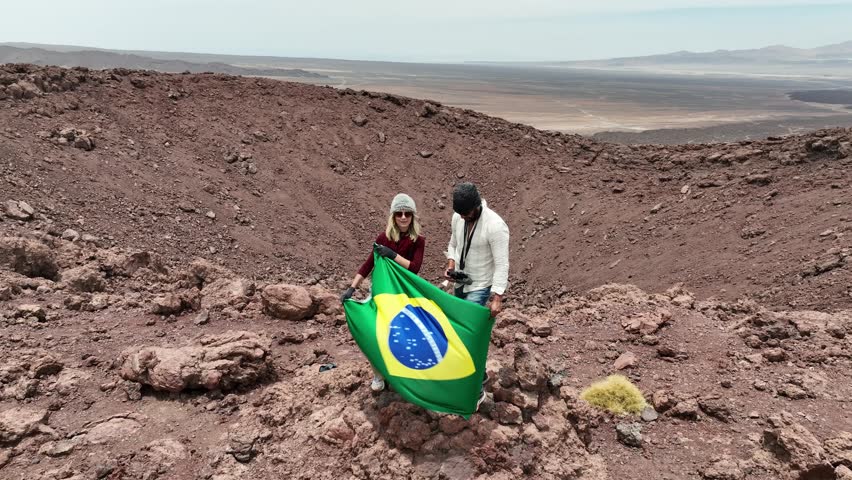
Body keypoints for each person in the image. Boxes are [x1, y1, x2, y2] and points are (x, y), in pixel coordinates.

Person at [341, 193, 425, 392]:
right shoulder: (383, 238)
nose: (403, 217)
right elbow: (368, 265)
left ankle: (401, 374)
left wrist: (393, 255)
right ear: (393, 216)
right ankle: (378, 374)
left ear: (412, 216)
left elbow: (414, 268)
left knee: (401, 337)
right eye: (399, 213)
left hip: (402, 296)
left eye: (407, 213)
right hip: (381, 294)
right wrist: (352, 288)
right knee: (375, 334)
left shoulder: (418, 240)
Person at [445, 182, 509, 410]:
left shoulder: (495, 226)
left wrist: (497, 297)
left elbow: (502, 264)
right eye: (460, 214)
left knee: (467, 336)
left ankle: (476, 392)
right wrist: (451, 264)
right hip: (460, 283)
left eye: (466, 213)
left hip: (480, 286)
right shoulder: (458, 218)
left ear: (477, 206)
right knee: (456, 331)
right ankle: (479, 376)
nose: (463, 217)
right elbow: (453, 244)